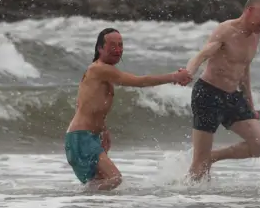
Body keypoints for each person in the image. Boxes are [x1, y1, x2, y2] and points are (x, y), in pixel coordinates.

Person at [65, 27, 193, 191]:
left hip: (86, 137)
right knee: (114, 179)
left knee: (101, 185)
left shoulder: (101, 71)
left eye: (120, 45)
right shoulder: (99, 69)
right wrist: (174, 76)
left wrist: (102, 129)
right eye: (112, 46)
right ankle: (79, 198)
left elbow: (84, 104)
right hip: (82, 138)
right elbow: (140, 81)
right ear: (100, 48)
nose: (118, 50)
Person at [185, 0, 260, 181]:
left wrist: (250, 102)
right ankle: (190, 200)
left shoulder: (256, 35)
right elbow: (204, 53)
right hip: (207, 94)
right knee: (199, 163)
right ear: (250, 11)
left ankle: (214, 157)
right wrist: (188, 71)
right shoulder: (226, 29)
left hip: (232, 96)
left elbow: (244, 67)